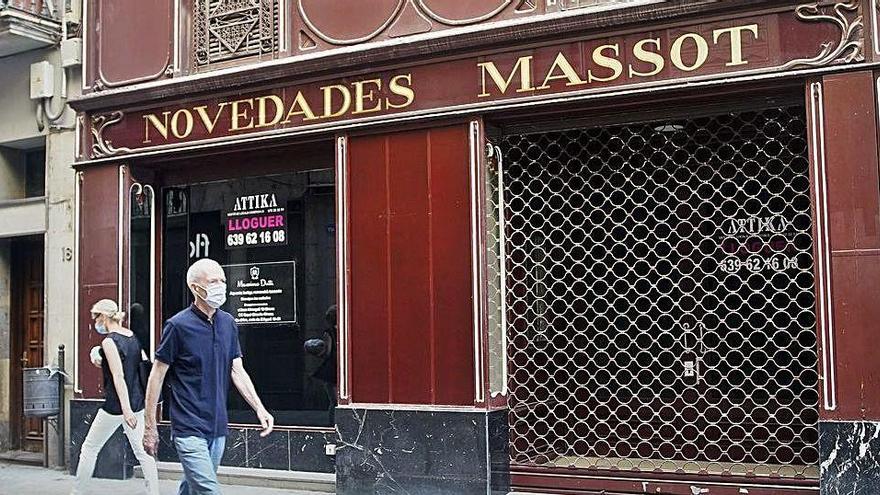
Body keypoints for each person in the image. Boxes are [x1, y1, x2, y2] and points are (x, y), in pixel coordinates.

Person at [143, 258, 274, 495]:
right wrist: (150, 427)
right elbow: (157, 376)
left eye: (222, 280)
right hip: (188, 426)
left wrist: (260, 409)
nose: (221, 285)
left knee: (193, 488)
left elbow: (237, 370)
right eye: (213, 281)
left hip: (217, 427)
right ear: (195, 287)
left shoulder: (228, 323)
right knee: (209, 490)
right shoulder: (177, 326)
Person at [72, 299, 159, 495]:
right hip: (137, 402)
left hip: (116, 406)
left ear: (103, 316)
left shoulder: (109, 341)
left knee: (89, 448)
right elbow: (138, 365)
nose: (96, 322)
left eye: (96, 317)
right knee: (144, 454)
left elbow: (119, 377)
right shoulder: (131, 336)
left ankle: (78, 492)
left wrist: (125, 409)